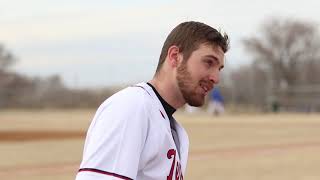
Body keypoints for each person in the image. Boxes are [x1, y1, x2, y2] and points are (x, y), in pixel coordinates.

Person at [75, 21, 229, 180]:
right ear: (175, 56)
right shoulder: (132, 107)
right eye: (208, 62)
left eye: (219, 68)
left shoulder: (169, 125)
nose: (216, 78)